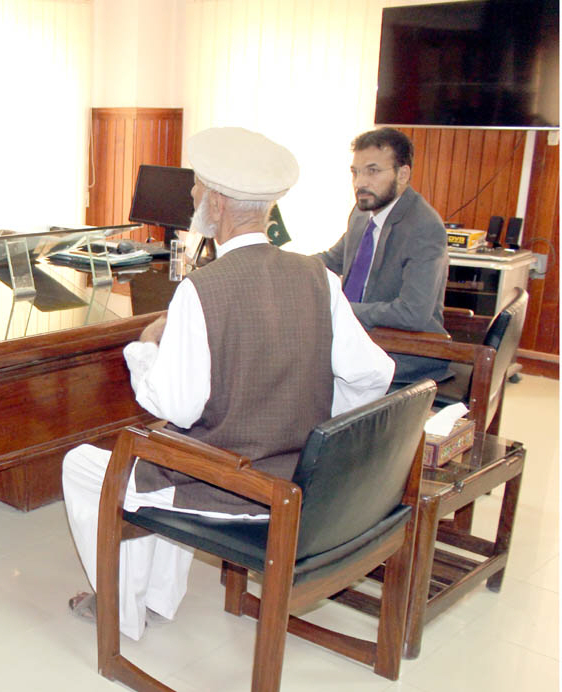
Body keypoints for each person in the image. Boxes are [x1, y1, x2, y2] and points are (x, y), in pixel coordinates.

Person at [62, 127, 395, 641]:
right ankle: (156, 599)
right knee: (163, 454)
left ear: (216, 203)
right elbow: (374, 374)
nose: (194, 197)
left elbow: (175, 404)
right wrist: (316, 433)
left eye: (197, 189)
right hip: (300, 480)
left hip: (234, 488)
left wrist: (148, 347)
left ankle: (120, 611)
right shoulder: (317, 278)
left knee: (89, 464)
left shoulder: (201, 288)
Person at [316, 127, 450, 384]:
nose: (360, 183)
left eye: (372, 171)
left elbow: (413, 313)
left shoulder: (424, 227)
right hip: (359, 336)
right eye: (355, 172)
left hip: (402, 350)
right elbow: (332, 260)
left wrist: (344, 310)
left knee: (301, 369)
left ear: (403, 174)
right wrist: (285, 266)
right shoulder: (362, 211)